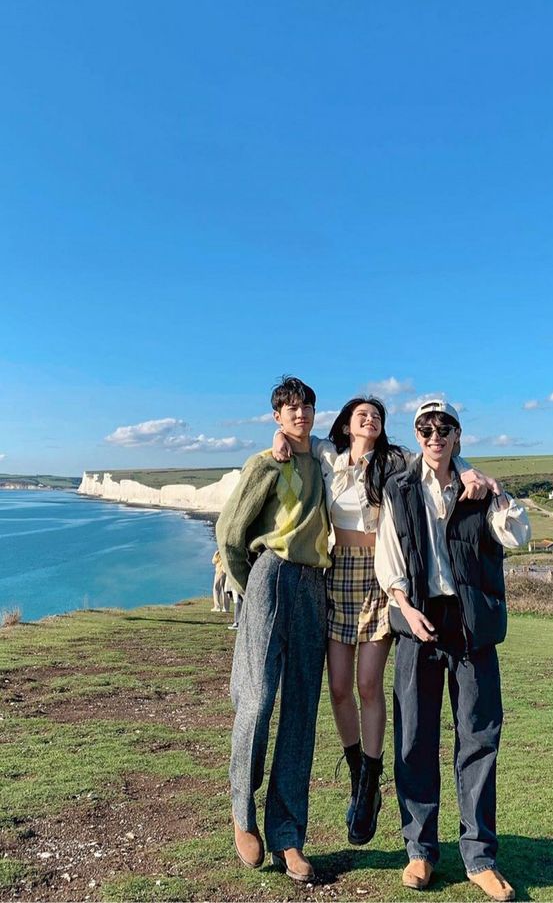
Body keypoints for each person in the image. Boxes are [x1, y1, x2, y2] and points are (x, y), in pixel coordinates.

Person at [273, 397, 494, 847]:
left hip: (380, 578)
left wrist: (469, 469)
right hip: (337, 575)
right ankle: (360, 775)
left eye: (376, 415)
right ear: (348, 425)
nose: (370, 420)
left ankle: (372, 778)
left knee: (368, 685)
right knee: (338, 687)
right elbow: (296, 440)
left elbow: (439, 454)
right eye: (362, 415)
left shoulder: (394, 461)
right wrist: (278, 436)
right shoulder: (329, 456)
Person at [375, 399, 531, 900]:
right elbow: (389, 555)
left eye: (444, 428)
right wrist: (403, 604)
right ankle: (419, 851)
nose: (435, 435)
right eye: (426, 428)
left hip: (471, 625)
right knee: (415, 738)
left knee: (479, 738)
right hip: (418, 620)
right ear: (417, 435)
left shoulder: (479, 489)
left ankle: (479, 857)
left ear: (457, 435)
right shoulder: (399, 487)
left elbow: (518, 535)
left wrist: (498, 490)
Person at [216, 376, 330, 884]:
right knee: (259, 698)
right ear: (277, 417)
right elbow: (230, 531)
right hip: (270, 573)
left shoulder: (326, 460)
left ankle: (287, 835)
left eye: (306, 405)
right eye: (290, 407)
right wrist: (252, 584)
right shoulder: (265, 463)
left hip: (315, 584)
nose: (300, 413)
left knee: (302, 710)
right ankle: (243, 812)